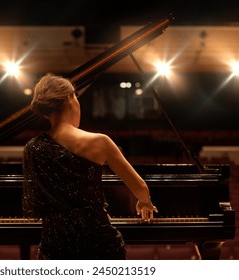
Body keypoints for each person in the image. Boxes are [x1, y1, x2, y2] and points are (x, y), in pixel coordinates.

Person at [22, 73, 158, 260]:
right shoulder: (100, 142)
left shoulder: (32, 148)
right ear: (70, 99)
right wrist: (144, 201)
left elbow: (37, 202)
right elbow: (140, 187)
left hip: (56, 242)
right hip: (97, 239)